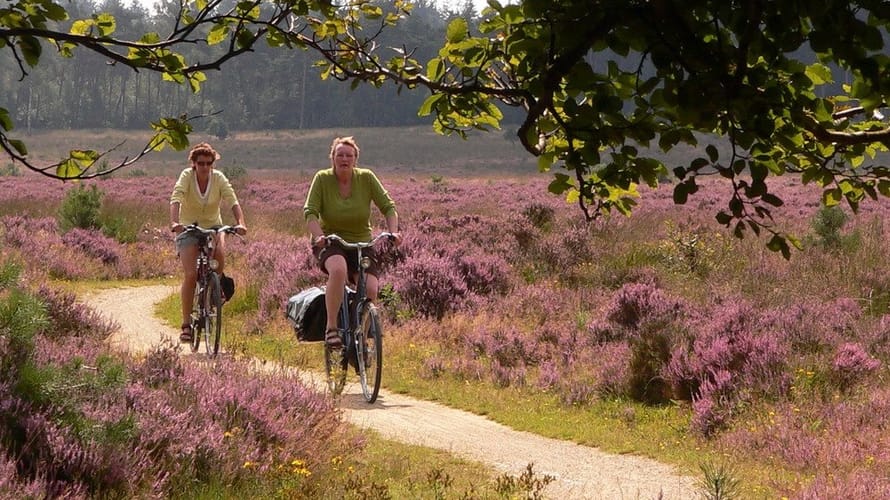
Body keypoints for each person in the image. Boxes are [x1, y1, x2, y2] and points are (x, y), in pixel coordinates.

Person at [303, 136, 402, 348]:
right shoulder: (322, 179)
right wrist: (319, 235)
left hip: (361, 242)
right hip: (331, 241)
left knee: (371, 290)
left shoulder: (366, 178)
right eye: (340, 155)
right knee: (338, 269)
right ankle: (331, 328)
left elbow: (388, 207)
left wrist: (393, 232)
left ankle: (361, 338)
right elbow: (310, 211)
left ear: (356, 159)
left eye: (349, 155)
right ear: (332, 158)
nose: (344, 159)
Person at [170, 142, 247, 343]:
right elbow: (176, 197)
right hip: (189, 228)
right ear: (194, 164)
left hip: (213, 226)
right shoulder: (186, 177)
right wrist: (175, 222)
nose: (205, 167)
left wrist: (240, 223)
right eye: (201, 163)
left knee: (220, 253)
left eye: (208, 163)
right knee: (190, 274)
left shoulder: (219, 178)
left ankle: (214, 288)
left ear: (213, 164)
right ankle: (186, 324)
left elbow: (233, 201)